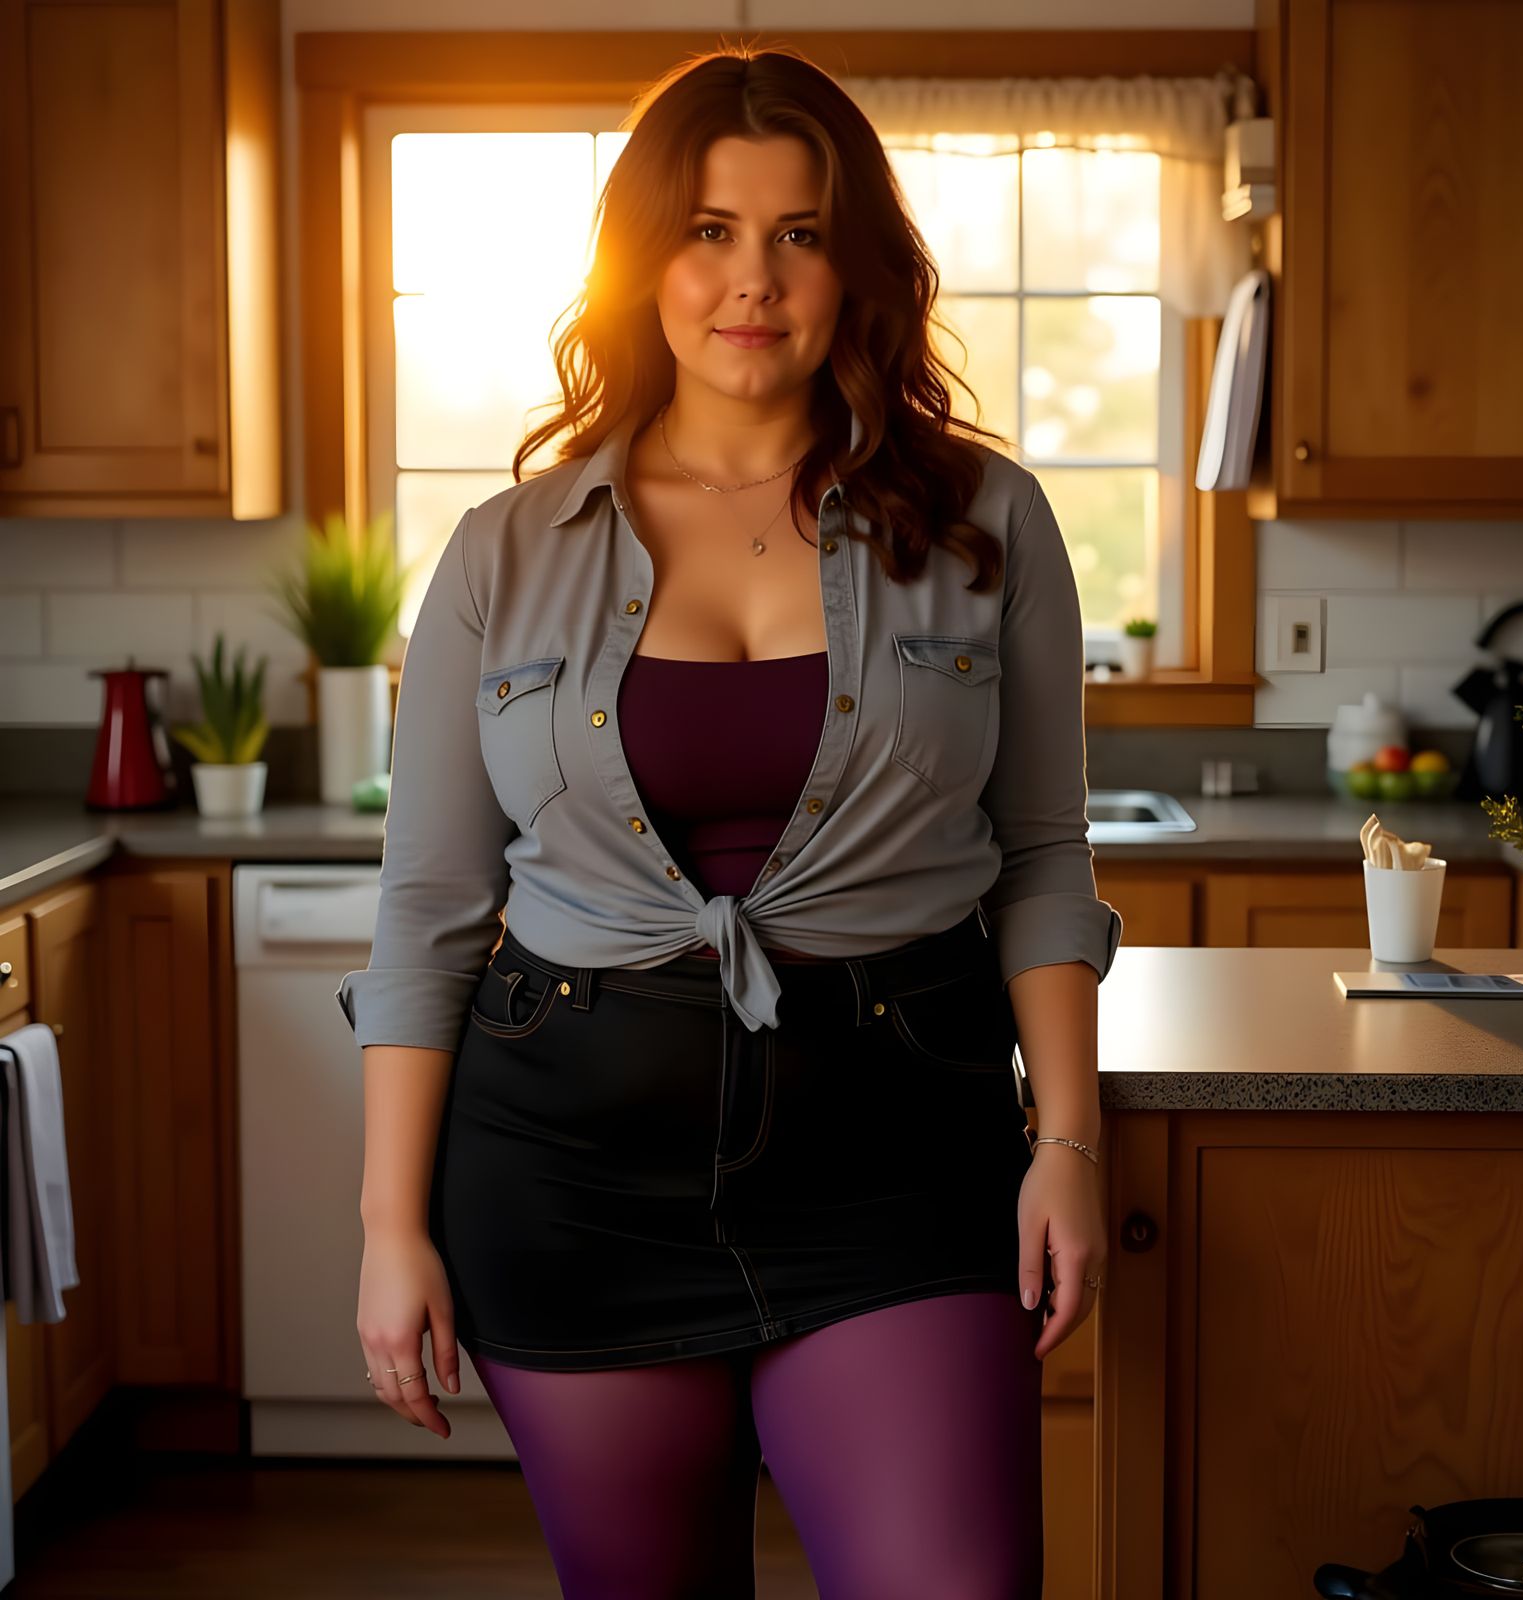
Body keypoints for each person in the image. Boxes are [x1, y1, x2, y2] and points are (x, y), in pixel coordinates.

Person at [340, 43, 1123, 1600]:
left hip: (898, 1153)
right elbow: (428, 910)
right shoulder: (505, 551)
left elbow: (1042, 860)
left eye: (799, 233)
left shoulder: (987, 522)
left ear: (859, 267)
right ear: (647, 261)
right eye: (708, 230)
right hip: (564, 1172)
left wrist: (1069, 1144)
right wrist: (387, 1227)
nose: (750, 279)